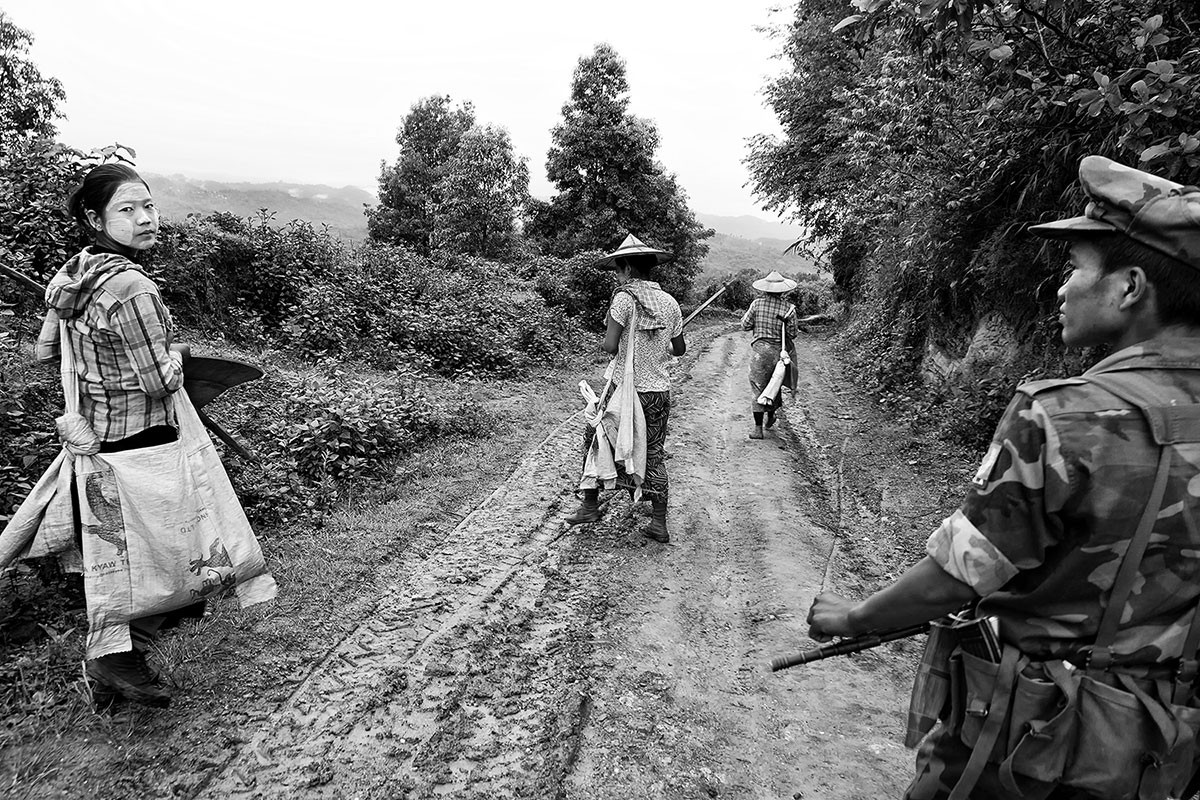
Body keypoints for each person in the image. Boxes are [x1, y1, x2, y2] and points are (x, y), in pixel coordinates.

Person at [806, 156, 1200, 800]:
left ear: (1130, 287)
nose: (1062, 289)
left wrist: (854, 616)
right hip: (1160, 754)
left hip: (1029, 747)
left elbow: (957, 575)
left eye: (1075, 269)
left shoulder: (1066, 416)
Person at [37, 164, 199, 707]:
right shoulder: (132, 287)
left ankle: (116, 665)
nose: (145, 219)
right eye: (127, 210)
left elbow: (46, 351)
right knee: (176, 558)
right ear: (94, 218)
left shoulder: (75, 274)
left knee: (123, 556)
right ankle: (113, 659)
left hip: (96, 438)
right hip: (139, 442)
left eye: (148, 206)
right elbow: (159, 382)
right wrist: (178, 358)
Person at [566, 234, 685, 543]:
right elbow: (679, 348)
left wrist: (612, 328)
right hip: (658, 393)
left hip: (624, 392)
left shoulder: (623, 299)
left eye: (618, 269)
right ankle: (659, 522)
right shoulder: (670, 303)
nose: (617, 276)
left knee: (596, 438)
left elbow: (609, 346)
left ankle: (590, 504)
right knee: (655, 452)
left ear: (628, 268)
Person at [740, 270, 799, 439]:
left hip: (760, 351)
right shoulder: (789, 309)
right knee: (775, 383)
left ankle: (758, 429)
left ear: (765, 288)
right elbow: (793, 333)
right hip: (779, 353)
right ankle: (771, 415)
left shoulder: (757, 304)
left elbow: (745, 325)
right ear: (782, 290)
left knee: (758, 386)